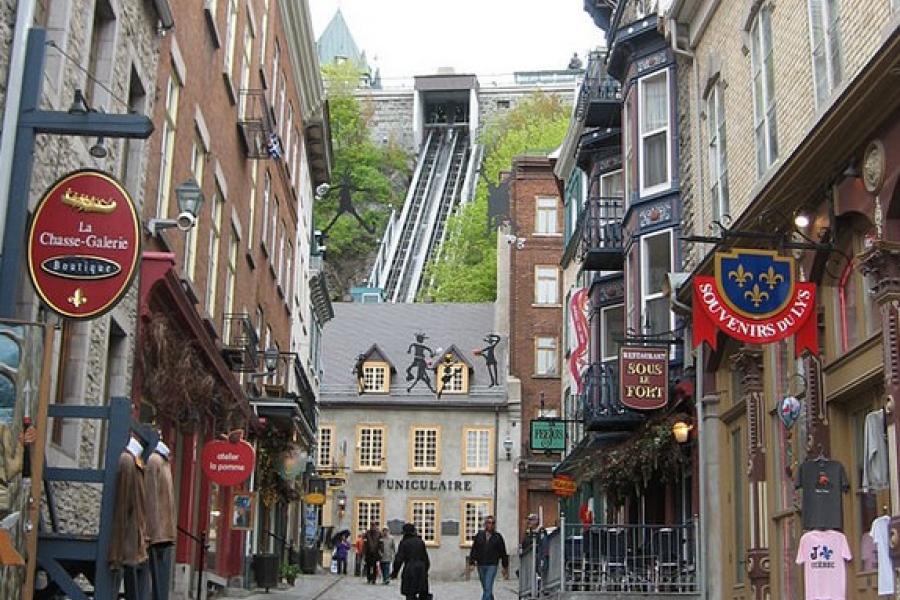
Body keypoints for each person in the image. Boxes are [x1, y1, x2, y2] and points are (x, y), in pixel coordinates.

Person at [468, 515, 509, 600]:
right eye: (489, 523)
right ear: (485, 524)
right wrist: (471, 562)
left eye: (492, 523)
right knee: (486, 588)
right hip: (481, 564)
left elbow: (503, 552)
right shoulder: (479, 535)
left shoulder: (498, 537)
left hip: (492, 565)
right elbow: (474, 549)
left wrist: (505, 566)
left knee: (488, 586)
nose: (490, 525)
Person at [391, 523, 430, 600]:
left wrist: (395, 572)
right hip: (421, 568)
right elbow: (426, 558)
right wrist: (425, 570)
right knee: (423, 592)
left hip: (410, 569)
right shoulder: (420, 541)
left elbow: (399, 559)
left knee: (410, 593)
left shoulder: (404, 543)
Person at [520, 514, 548, 592]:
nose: (529, 522)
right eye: (529, 520)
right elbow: (524, 543)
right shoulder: (529, 532)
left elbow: (543, 545)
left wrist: (543, 557)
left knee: (539, 573)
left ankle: (539, 589)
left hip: (538, 556)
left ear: (536, 521)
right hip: (529, 557)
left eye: (531, 520)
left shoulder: (541, 531)